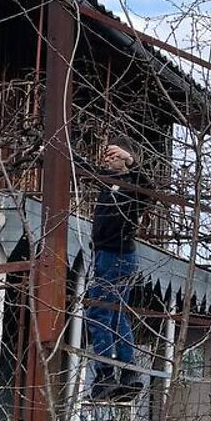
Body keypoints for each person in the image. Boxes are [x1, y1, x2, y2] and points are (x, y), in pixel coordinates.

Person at [87, 141, 149, 401]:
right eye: (107, 156)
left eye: (114, 156)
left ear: (125, 159)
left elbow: (148, 188)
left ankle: (105, 373)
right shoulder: (108, 184)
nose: (108, 160)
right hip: (110, 254)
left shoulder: (131, 187)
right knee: (116, 312)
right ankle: (128, 372)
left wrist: (131, 161)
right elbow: (85, 167)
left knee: (98, 310)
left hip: (116, 254)